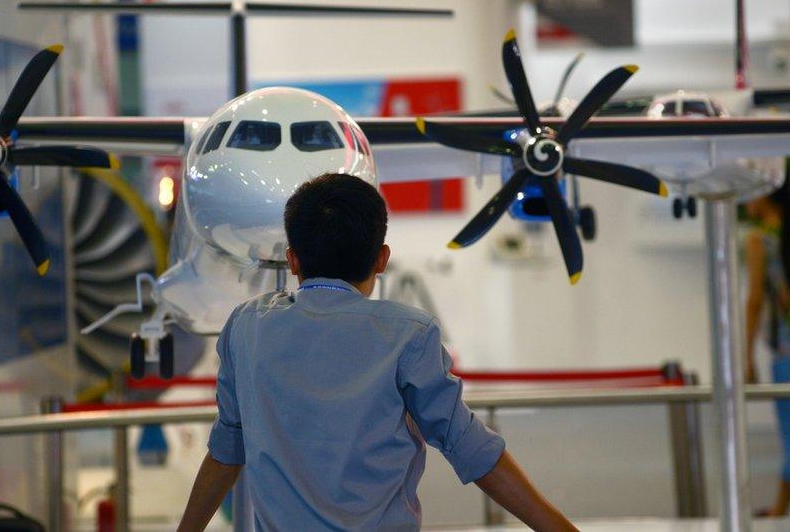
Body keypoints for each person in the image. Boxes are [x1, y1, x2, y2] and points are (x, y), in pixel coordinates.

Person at [178, 173, 576, 531]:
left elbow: (226, 451)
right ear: (382, 258)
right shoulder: (409, 335)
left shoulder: (246, 328)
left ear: (293, 260)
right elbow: (472, 450)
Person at [745, 172, 790, 517]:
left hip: (785, 353)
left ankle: (778, 512)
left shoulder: (761, 241)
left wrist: (746, 356)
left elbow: (755, 301)